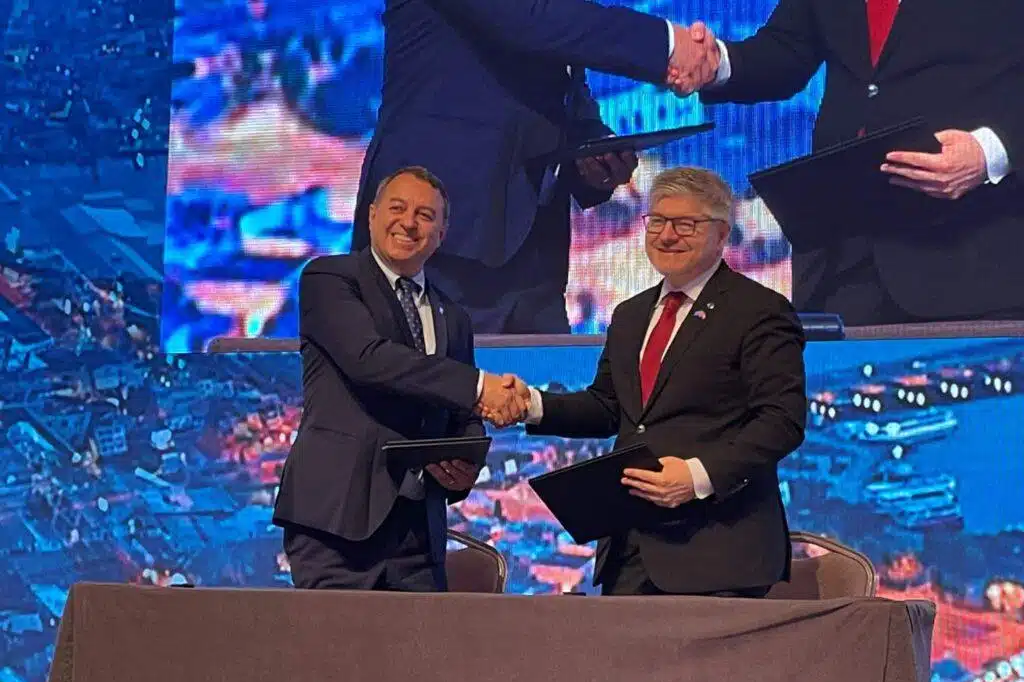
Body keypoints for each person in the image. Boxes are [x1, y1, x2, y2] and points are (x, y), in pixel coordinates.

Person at [507, 167, 807, 596]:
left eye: (685, 224)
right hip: (630, 549)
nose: (667, 236)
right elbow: (610, 407)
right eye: (658, 222)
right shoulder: (630, 316)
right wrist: (532, 405)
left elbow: (782, 420)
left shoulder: (760, 310)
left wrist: (697, 476)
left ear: (722, 234)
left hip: (719, 555)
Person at [350, 0, 720, 334]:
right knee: (428, 398)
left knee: (545, 399)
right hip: (442, 239)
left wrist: (593, 152)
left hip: (533, 251)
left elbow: (555, 82)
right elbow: (531, 21)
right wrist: (668, 46)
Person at [677, 2, 1024, 325]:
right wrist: (716, 63)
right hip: (842, 256)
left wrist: (993, 151)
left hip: (975, 251)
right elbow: (787, 50)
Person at [273, 166, 526, 591]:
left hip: (418, 537)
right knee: (334, 655)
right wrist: (482, 387)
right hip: (336, 524)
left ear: (442, 234)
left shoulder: (455, 318)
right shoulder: (330, 278)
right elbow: (368, 360)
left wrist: (467, 462)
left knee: (419, 658)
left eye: (425, 215)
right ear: (371, 215)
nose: (409, 222)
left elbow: (459, 411)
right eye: (397, 208)